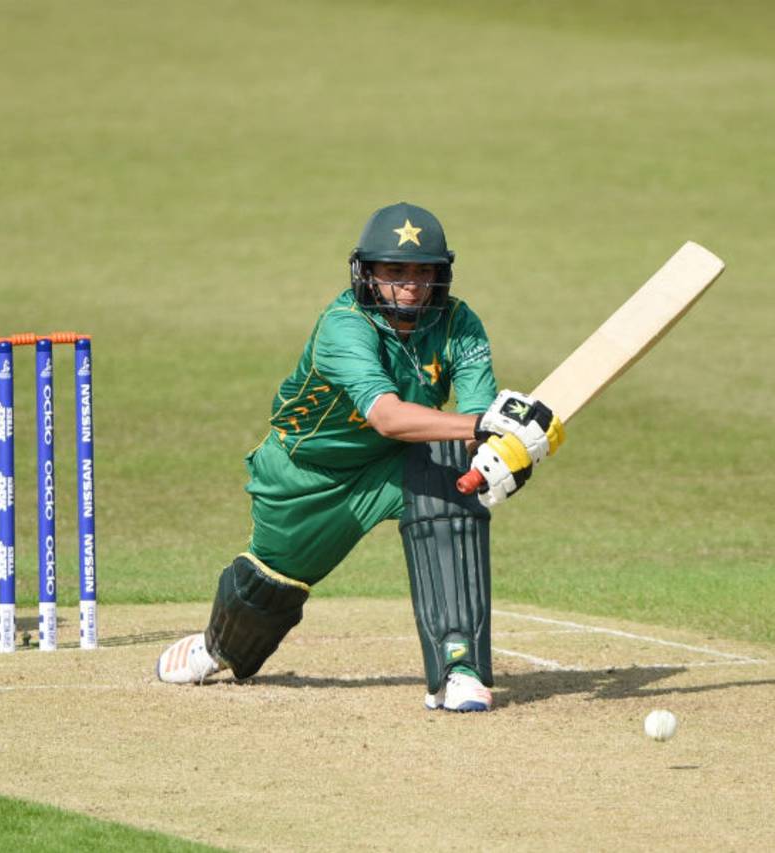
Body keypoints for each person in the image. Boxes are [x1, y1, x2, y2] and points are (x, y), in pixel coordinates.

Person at [156, 202, 564, 711]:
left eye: (423, 272)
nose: (411, 284)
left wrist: (501, 453)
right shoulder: (343, 326)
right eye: (395, 272)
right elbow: (388, 417)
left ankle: (457, 668)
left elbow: (474, 424)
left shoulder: (460, 323)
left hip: (396, 462)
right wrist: (483, 425)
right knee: (270, 588)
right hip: (304, 475)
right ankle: (217, 645)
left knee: (451, 482)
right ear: (366, 273)